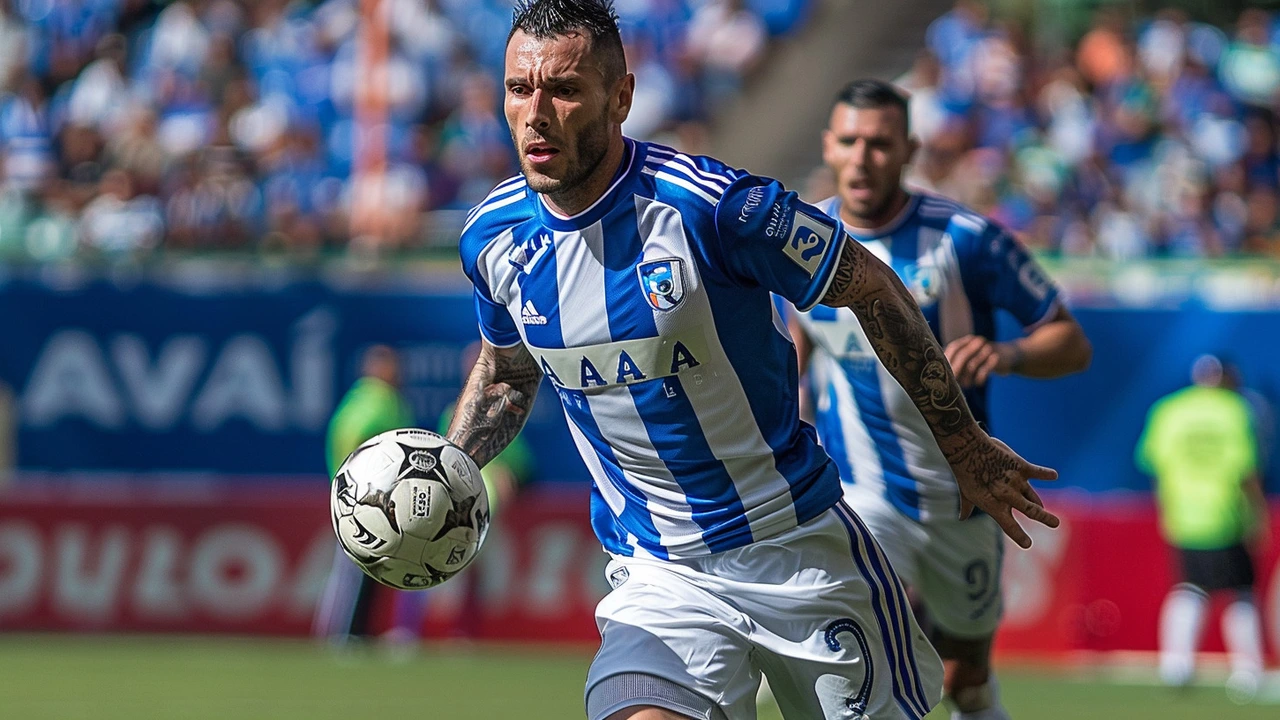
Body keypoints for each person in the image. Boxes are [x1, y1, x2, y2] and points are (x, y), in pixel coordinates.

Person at [448, 3, 1059, 719]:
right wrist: (444, 469)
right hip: (659, 572)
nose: (537, 113)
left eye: (565, 89)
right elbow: (508, 371)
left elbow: (871, 284)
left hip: (798, 551)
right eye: (520, 89)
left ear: (621, 98)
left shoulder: (714, 209)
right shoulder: (491, 238)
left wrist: (962, 443)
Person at [784, 80, 1093, 720]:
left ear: (908, 151)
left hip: (964, 497)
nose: (862, 157)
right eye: (850, 141)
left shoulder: (965, 238)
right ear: (829, 146)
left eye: (879, 143)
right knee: (863, 648)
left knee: (966, 678)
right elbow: (795, 351)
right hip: (861, 492)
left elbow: (1071, 342)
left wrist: (1005, 354)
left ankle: (969, 683)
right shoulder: (801, 240)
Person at [1137, 354, 1271, 703]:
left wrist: (1167, 509)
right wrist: (1258, 517)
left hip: (1183, 516)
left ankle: (1176, 665)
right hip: (1226, 513)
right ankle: (1248, 672)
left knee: (1190, 587)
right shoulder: (1237, 410)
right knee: (1240, 589)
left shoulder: (1169, 409)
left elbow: (1154, 463)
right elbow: (1247, 470)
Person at [313, 344, 419, 647]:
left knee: (366, 570)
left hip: (362, 498)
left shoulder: (363, 399)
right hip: (367, 500)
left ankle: (355, 633)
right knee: (355, 569)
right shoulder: (377, 399)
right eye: (391, 366)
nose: (398, 373)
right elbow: (362, 439)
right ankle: (343, 635)